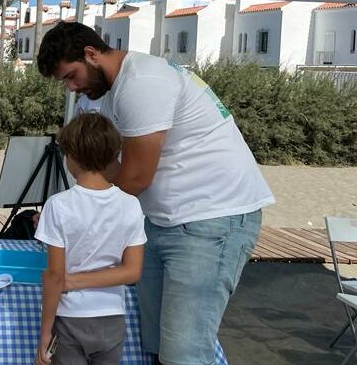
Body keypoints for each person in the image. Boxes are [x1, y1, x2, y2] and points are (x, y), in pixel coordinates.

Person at [36, 21, 275, 365]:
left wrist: (76, 214)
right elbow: (99, 171)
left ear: (91, 54)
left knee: (184, 353)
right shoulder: (105, 94)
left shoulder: (142, 82)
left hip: (210, 219)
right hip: (161, 220)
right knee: (156, 344)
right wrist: (74, 207)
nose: (72, 88)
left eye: (71, 76)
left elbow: (135, 178)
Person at [35, 113, 146, 365]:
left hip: (70, 316)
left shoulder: (58, 205)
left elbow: (55, 276)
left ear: (71, 156)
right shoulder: (131, 205)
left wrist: (45, 334)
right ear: (112, 155)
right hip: (112, 317)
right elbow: (132, 271)